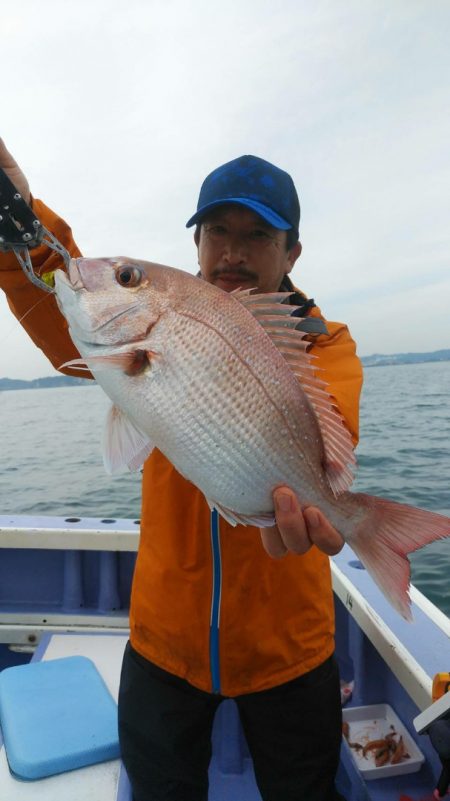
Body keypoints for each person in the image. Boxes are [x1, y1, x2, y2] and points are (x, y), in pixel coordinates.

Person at [0, 142, 363, 801]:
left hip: (290, 645)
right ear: (196, 242)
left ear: (292, 253)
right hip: (165, 638)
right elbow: (73, 293)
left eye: (258, 235)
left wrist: (324, 503)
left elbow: (329, 442)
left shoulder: (324, 343)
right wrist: (18, 219)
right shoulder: (160, 318)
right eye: (217, 230)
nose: (233, 251)